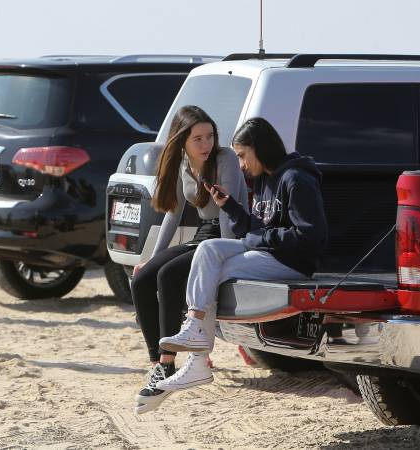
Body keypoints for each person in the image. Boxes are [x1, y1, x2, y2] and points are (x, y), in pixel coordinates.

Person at [156, 117, 328, 392]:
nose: (241, 164)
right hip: (268, 251)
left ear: (259, 148)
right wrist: (231, 207)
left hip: (292, 262)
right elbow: (259, 226)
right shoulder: (263, 179)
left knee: (216, 273)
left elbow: (311, 236)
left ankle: (197, 360)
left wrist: (263, 237)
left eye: (242, 155)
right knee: (208, 249)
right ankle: (195, 327)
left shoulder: (296, 179)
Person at [132, 105, 248, 414]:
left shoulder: (224, 160)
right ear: (182, 141)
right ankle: (158, 363)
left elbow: (227, 214)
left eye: (209, 136)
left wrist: (225, 256)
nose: (205, 144)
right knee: (143, 279)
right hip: (201, 235)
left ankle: (168, 362)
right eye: (197, 138)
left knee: (168, 276)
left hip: (227, 235)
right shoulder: (183, 163)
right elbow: (172, 213)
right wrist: (151, 257)